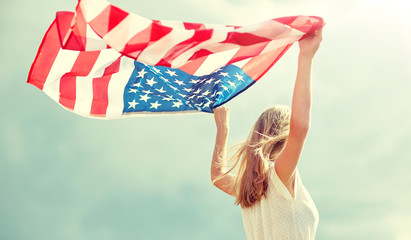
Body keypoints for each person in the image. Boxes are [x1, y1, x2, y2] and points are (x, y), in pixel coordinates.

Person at [210, 27, 323, 240]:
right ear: (283, 134)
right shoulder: (280, 174)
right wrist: (305, 56)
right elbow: (300, 128)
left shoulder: (248, 188)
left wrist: (222, 129)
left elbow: (217, 176)